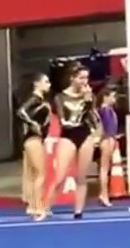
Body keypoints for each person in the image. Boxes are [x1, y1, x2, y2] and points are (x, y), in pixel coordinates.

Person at [41, 65, 101, 221]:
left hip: (84, 135)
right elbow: (66, 121)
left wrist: (89, 102)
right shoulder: (60, 97)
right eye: (81, 78)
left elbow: (93, 119)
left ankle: (78, 211)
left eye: (86, 78)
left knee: (81, 177)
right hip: (68, 135)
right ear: (72, 78)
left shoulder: (89, 96)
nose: (84, 81)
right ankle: (45, 209)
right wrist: (84, 104)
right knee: (59, 176)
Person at [16, 72, 52, 218]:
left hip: (33, 139)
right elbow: (21, 112)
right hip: (33, 138)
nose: (49, 85)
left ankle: (32, 205)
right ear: (37, 83)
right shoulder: (35, 99)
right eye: (46, 82)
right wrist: (33, 124)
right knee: (40, 174)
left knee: (33, 174)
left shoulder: (39, 100)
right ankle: (38, 206)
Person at [96, 88, 119, 208]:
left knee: (105, 168)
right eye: (112, 96)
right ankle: (104, 195)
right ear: (105, 97)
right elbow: (105, 128)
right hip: (107, 139)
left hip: (110, 138)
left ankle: (103, 194)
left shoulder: (108, 110)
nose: (114, 99)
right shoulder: (105, 110)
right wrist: (108, 139)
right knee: (104, 169)